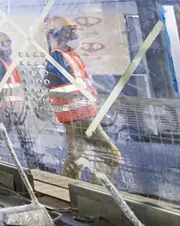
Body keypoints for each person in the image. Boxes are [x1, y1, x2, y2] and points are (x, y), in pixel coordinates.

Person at [45, 16, 122, 180]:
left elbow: (84, 83)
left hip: (82, 113)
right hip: (79, 116)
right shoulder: (57, 58)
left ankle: (73, 193)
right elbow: (56, 87)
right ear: (59, 36)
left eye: (74, 32)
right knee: (111, 157)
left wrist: (93, 101)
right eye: (69, 32)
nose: (74, 37)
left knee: (77, 159)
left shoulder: (72, 56)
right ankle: (96, 191)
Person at [0, 32, 40, 168]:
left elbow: (18, 85)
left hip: (18, 105)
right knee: (3, 131)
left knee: (23, 134)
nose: (7, 46)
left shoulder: (11, 62)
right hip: (7, 106)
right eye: (3, 44)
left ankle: (33, 162)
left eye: (8, 43)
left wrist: (24, 103)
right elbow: (0, 84)